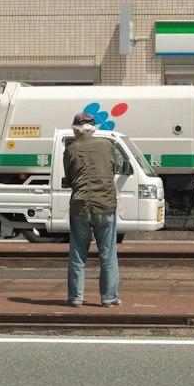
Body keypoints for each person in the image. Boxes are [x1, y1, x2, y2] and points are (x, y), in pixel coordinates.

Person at [63, 111, 121, 308]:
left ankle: (75, 297)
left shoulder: (70, 149)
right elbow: (112, 171)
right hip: (105, 204)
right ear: (93, 128)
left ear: (76, 130)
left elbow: (69, 180)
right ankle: (109, 298)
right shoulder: (107, 145)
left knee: (78, 254)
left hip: (80, 205)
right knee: (108, 254)